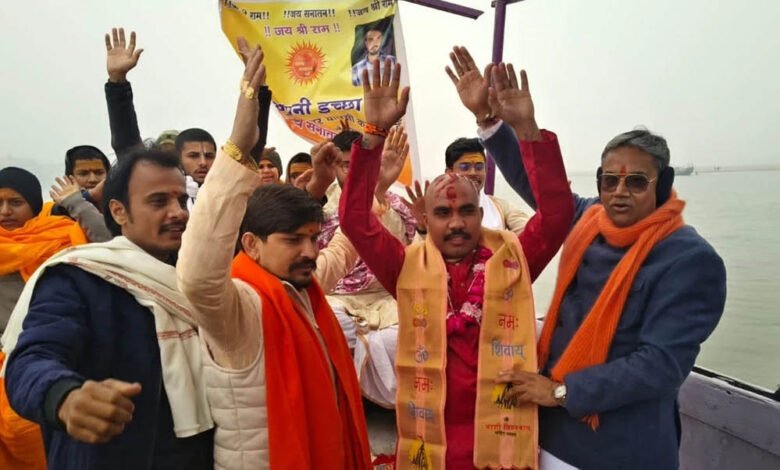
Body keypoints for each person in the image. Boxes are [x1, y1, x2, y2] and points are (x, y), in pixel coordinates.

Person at [339, 58, 573, 469]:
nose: (456, 223)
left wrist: (526, 129)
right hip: (432, 447)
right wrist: (373, 135)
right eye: (443, 214)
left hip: (501, 445)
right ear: (426, 220)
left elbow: (556, 216)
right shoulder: (404, 267)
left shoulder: (512, 263)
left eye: (466, 211)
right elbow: (355, 219)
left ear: (480, 215)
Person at [485, 125, 727, 470]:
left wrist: (560, 392)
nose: (619, 193)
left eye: (636, 182)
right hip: (548, 435)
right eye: (610, 181)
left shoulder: (689, 259)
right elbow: (543, 191)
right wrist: (494, 124)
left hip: (620, 448)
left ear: (663, 183)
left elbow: (660, 365)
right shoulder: (589, 219)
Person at [177, 45, 371, 469]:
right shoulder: (239, 308)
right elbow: (196, 278)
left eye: (313, 238)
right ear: (251, 245)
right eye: (292, 240)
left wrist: (361, 180)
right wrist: (238, 148)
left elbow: (346, 243)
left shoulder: (305, 288)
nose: (310, 251)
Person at [2, 150, 214, 470]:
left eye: (181, 201)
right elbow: (31, 360)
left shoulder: (198, 281)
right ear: (118, 211)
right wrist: (66, 397)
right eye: (158, 202)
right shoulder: (79, 277)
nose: (178, 213)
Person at [320, 127, 416, 408]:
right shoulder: (319, 206)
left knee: (415, 327)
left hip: (386, 297)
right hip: (338, 298)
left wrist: (378, 192)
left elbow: (407, 253)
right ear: (333, 166)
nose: (354, 172)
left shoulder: (397, 204)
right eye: (346, 165)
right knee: (328, 323)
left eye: (360, 165)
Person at [443, 137, 530, 232]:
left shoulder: (500, 206)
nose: (473, 173)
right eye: (465, 167)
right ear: (449, 173)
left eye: (479, 167)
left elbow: (527, 230)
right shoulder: (437, 208)